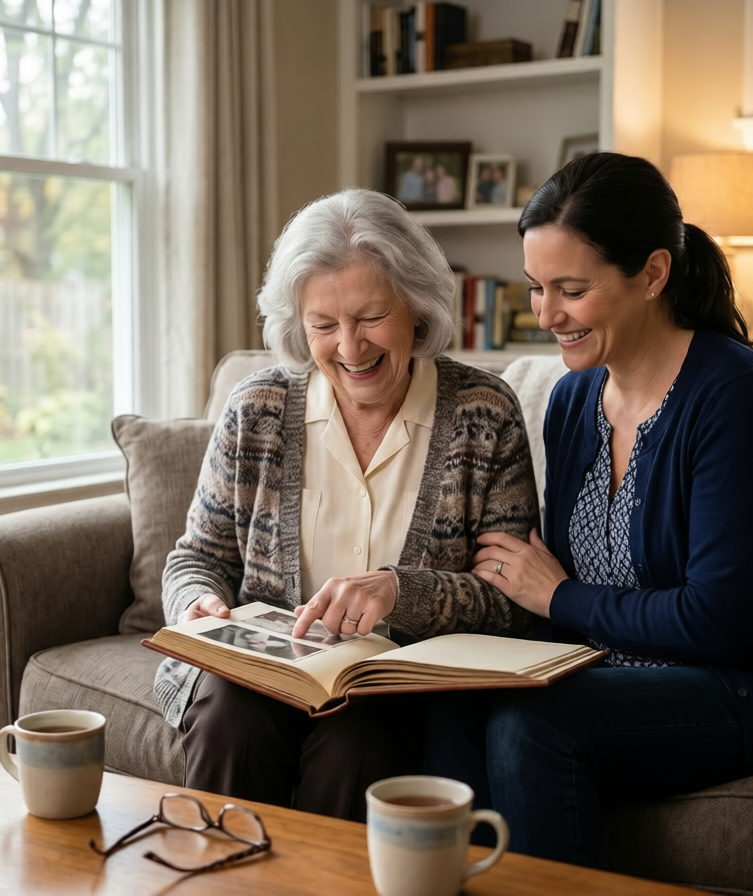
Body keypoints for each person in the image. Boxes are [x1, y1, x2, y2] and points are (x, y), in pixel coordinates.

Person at [424, 152, 753, 865]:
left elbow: (718, 622)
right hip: (617, 672)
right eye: (537, 288)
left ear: (653, 273)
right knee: (450, 705)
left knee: (534, 726)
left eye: (571, 289)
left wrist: (560, 596)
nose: (546, 315)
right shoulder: (571, 399)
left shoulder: (735, 398)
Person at [156, 187, 539, 822]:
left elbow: (510, 603)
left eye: (370, 318)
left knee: (359, 747)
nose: (350, 348)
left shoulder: (484, 413)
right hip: (261, 680)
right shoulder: (259, 410)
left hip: (389, 692)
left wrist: (399, 591)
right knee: (229, 720)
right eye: (324, 326)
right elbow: (196, 556)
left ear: (415, 307)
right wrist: (194, 602)